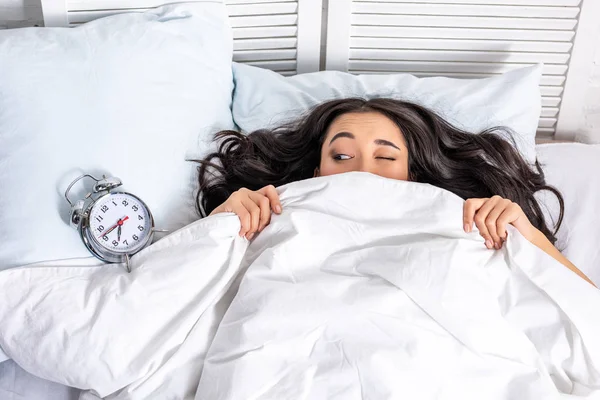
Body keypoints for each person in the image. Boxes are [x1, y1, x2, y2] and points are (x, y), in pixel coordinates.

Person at [195, 98, 595, 286]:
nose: (362, 170)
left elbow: (585, 310)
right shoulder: (272, 210)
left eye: (385, 158)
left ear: (413, 175)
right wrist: (222, 223)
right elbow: (172, 289)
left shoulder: (464, 219)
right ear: (317, 171)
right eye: (342, 155)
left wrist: (526, 233)